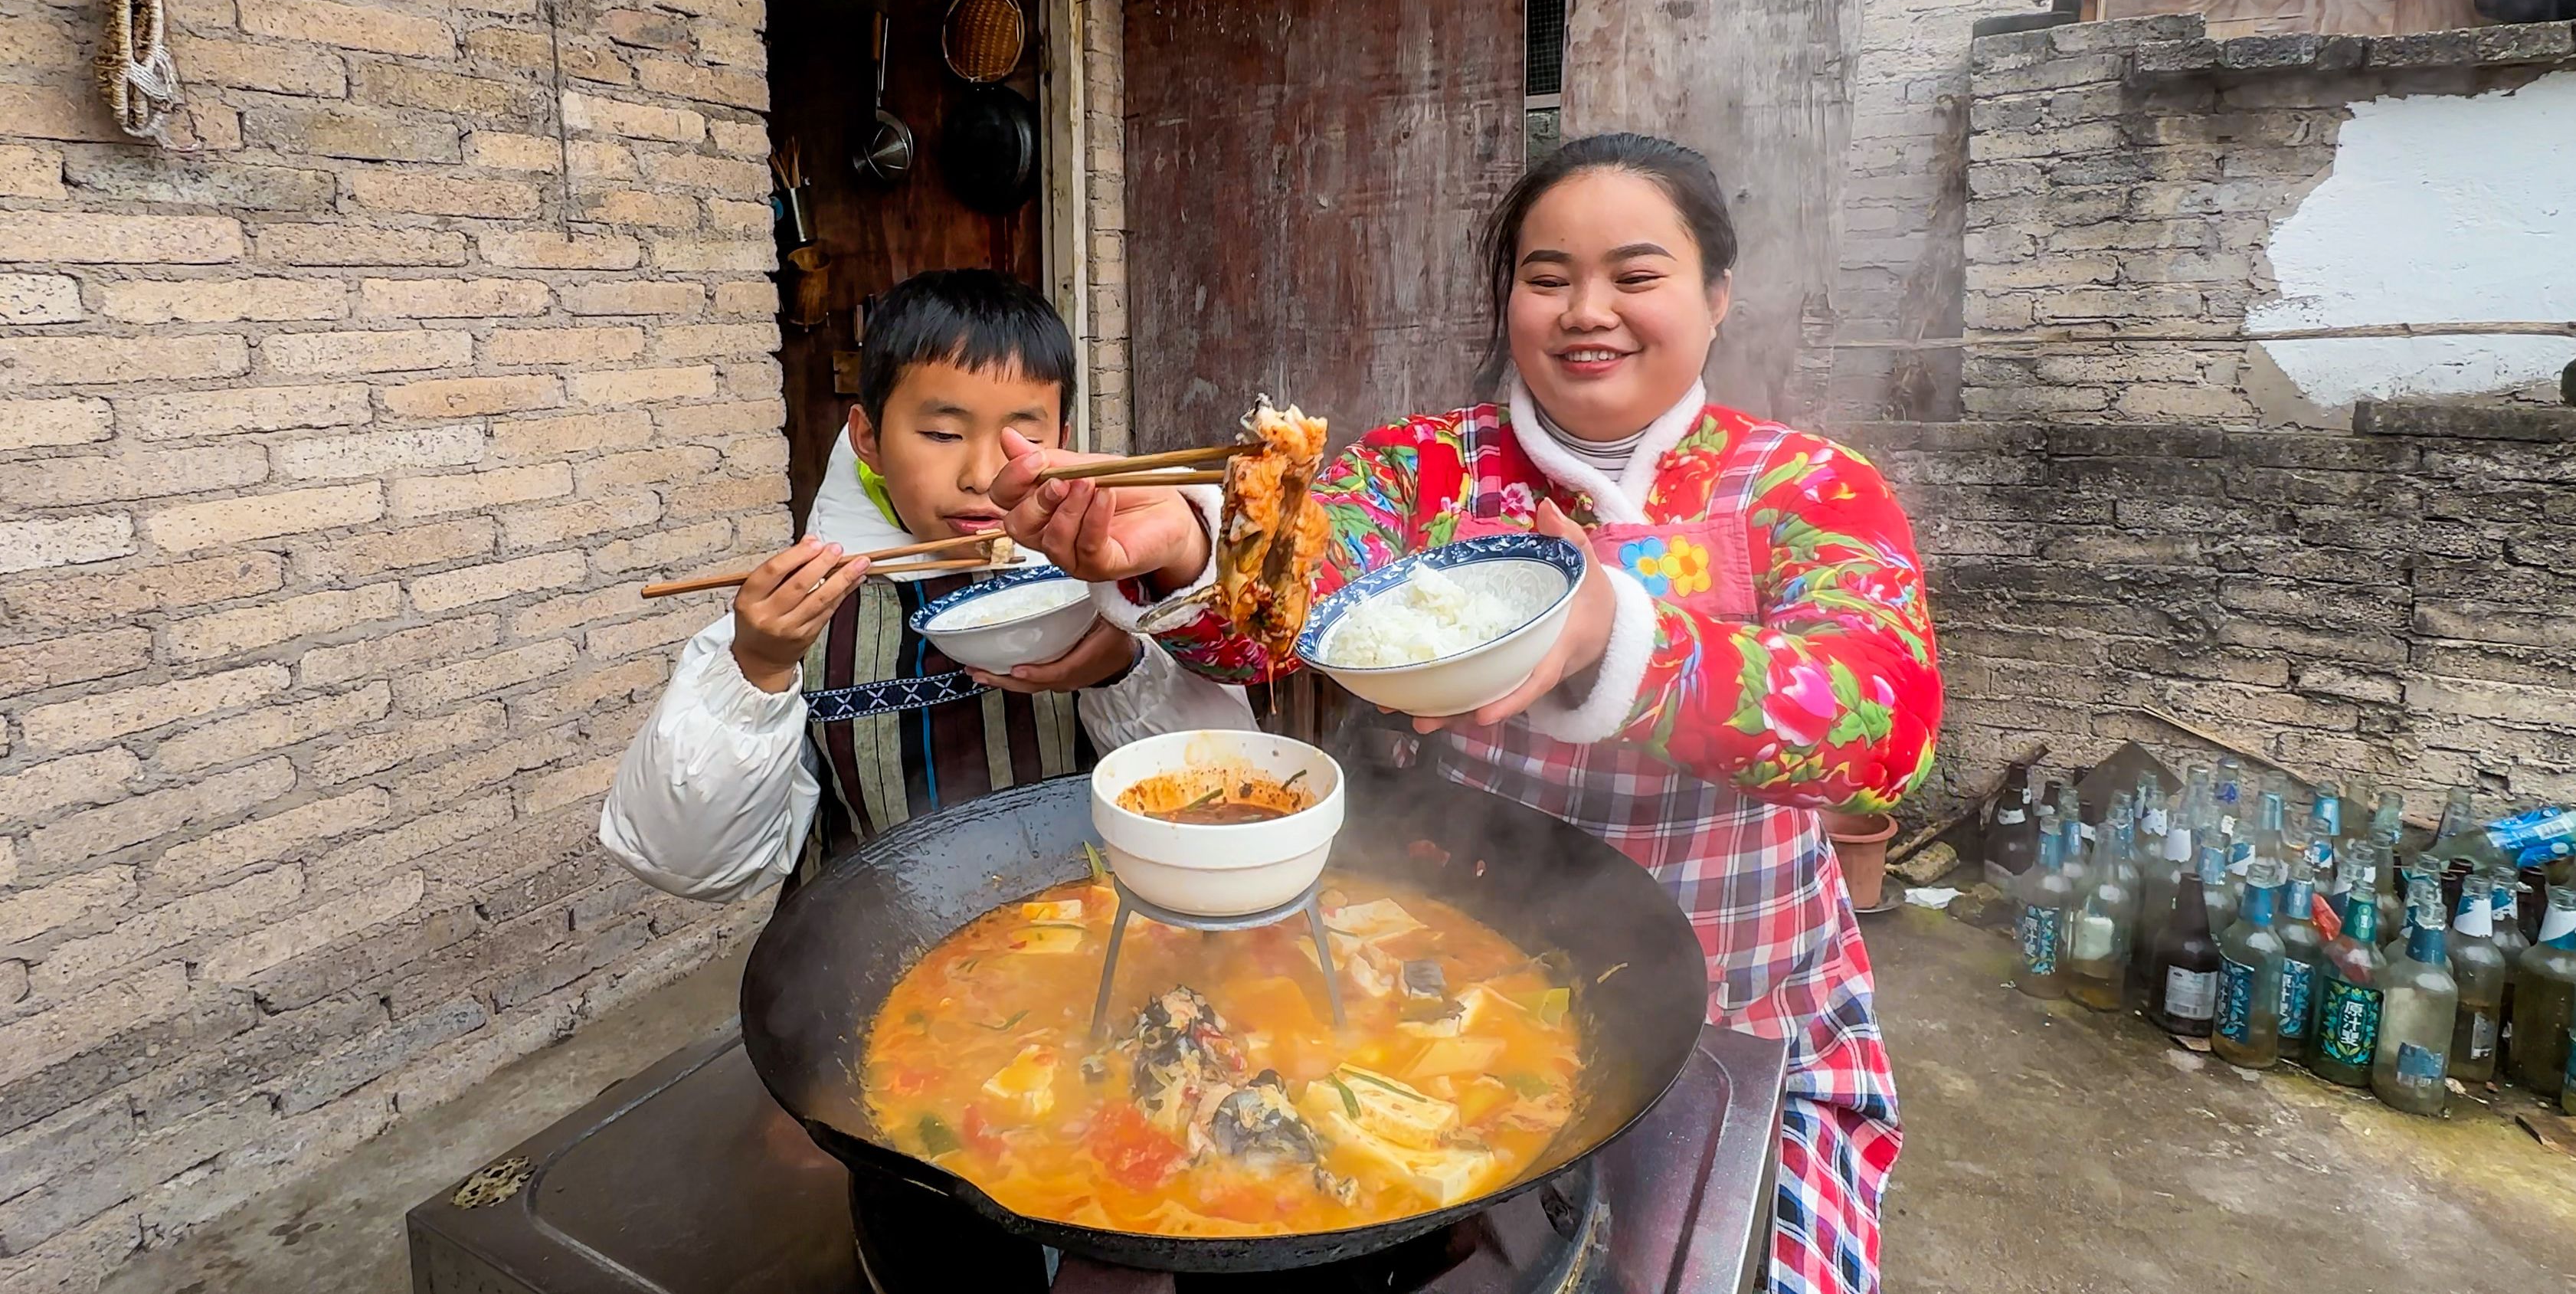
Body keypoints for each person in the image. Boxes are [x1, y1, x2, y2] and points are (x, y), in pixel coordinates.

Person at [992, 135, 1940, 1294]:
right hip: (1447, 984)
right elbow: (1288, 594)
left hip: (1731, 1005)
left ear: (1716, 293)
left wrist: (1613, 636)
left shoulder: (1800, 485)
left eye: (1634, 275)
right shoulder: (1426, 470)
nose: (1586, 310)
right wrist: (1188, 543)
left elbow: (1883, 727)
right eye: (1546, 276)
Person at [600, 270, 1252, 901]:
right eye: (941, 433)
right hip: (881, 949)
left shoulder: (1114, 592)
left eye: (1023, 438)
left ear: (1061, 441)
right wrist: (757, 671)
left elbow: (1221, 796)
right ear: (868, 438)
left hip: (1093, 937)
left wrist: (1124, 669)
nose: (979, 475)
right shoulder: (800, 614)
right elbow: (692, 865)